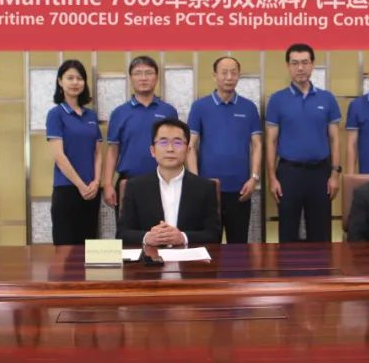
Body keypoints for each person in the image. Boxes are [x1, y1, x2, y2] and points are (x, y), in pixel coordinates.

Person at [264, 43, 341, 242]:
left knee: (321, 233)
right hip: (289, 173)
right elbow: (271, 141)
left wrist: (335, 174)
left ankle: (321, 264)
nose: (300, 68)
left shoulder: (327, 98)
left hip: (320, 173)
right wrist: (272, 178)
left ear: (312, 65)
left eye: (305, 62)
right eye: (295, 63)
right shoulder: (277, 100)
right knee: (288, 233)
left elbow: (335, 139)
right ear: (288, 66)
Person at [187, 56, 262, 243]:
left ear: (239, 76)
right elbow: (190, 145)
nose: (229, 77)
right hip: (208, 190)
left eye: (233, 73)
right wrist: (195, 180)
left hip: (241, 189)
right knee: (208, 246)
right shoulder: (200, 106)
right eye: (224, 73)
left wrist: (254, 178)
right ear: (215, 75)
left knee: (239, 246)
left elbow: (257, 145)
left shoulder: (249, 107)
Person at [117, 117, 221, 246]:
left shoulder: (205, 187)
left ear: (188, 150)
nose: (170, 149)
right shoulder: (135, 187)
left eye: (177, 143)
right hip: (150, 256)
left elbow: (214, 234)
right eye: (163, 142)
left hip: (189, 257)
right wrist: (147, 237)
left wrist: (183, 237)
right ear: (153, 151)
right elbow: (122, 233)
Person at [102, 56, 178, 209]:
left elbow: (177, 147)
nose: (143, 78)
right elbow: (113, 150)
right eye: (138, 73)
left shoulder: (168, 111)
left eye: (148, 73)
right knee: (127, 224)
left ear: (156, 77)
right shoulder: (119, 113)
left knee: (164, 224)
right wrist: (107, 183)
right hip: (129, 183)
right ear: (131, 78)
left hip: (164, 182)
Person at [45, 59, 102, 245]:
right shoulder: (55, 114)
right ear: (60, 81)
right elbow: (58, 156)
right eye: (70, 78)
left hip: (92, 191)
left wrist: (96, 182)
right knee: (65, 248)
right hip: (67, 189)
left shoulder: (91, 115)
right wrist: (80, 185)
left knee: (90, 247)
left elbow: (98, 152)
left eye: (79, 78)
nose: (75, 82)